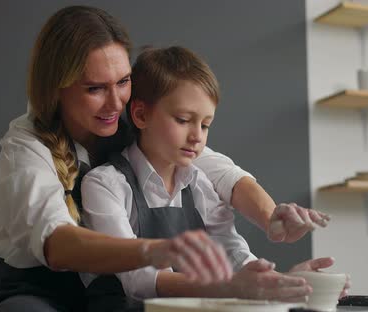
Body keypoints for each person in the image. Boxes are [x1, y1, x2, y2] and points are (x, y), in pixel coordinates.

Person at [0, 5, 341, 312]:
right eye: (95, 88)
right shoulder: (27, 145)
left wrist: (272, 218)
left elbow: (219, 171)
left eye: (122, 82)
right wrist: (157, 250)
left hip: (108, 294)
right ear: (56, 88)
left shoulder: (133, 122)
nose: (116, 103)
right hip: (37, 292)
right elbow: (57, 244)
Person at [80, 46, 325, 309]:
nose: (197, 136)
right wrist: (231, 287)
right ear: (140, 115)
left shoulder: (199, 183)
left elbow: (231, 253)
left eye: (205, 124)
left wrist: (284, 282)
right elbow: (138, 280)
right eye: (184, 119)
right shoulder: (104, 185)